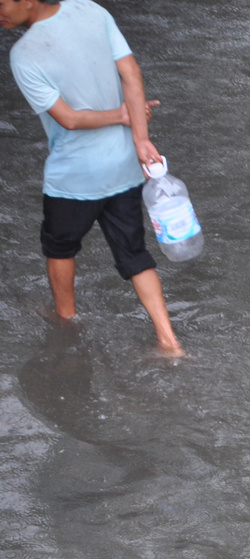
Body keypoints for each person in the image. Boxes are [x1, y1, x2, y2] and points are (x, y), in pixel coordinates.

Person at [3, 0, 182, 355]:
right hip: (124, 165)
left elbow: (68, 119)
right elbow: (131, 72)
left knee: (59, 247)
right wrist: (141, 136)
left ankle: (66, 322)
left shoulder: (24, 54)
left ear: (28, 1)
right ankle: (169, 340)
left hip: (74, 176)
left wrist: (120, 115)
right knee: (134, 255)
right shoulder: (91, 10)